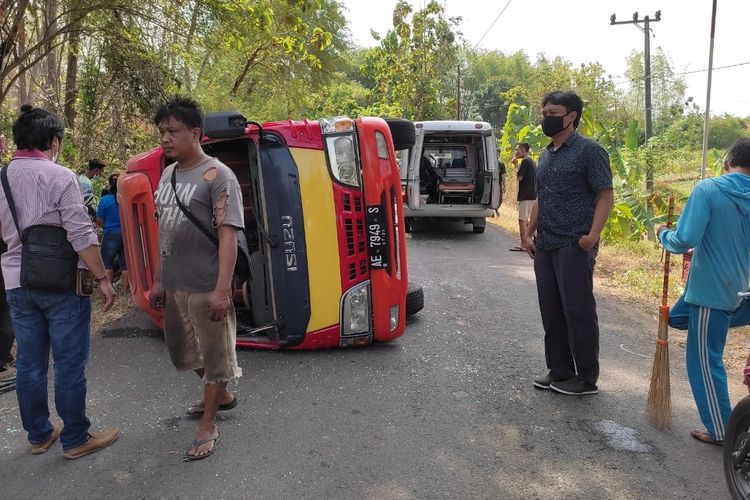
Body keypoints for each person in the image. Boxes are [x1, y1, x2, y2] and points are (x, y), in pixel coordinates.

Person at [0, 104, 118, 458]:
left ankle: (38, 435)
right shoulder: (61, 176)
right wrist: (102, 278)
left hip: (16, 284)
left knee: (29, 362)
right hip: (61, 283)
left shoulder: (2, 177)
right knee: (68, 362)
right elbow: (81, 234)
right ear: (53, 140)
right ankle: (76, 438)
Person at [149, 96, 243, 461]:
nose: (165, 138)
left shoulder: (219, 176)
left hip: (207, 285)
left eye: (173, 131)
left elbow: (227, 236)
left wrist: (222, 291)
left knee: (216, 356)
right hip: (175, 284)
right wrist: (158, 279)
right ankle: (223, 393)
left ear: (196, 133)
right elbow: (164, 232)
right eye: (162, 132)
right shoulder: (168, 174)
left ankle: (208, 424)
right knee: (184, 351)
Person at [522, 91, 614, 396]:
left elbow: (605, 196)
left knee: (577, 310)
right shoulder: (546, 155)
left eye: (553, 112)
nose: (546, 117)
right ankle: (559, 371)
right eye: (545, 111)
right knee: (551, 310)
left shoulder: (590, 151)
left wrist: (592, 237)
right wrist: (527, 233)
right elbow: (542, 198)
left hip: (574, 244)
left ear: (571, 115)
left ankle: (586, 379)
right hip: (545, 244)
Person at [659, 137, 750, 446]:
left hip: (712, 290)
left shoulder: (709, 189)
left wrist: (663, 235)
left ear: (726, 163)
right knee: (675, 318)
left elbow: (684, 239)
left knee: (704, 361)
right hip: (740, 290)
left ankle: (723, 431)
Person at [96, 174, 128, 292]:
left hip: (110, 234)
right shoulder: (125, 199)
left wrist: (106, 227)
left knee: (107, 263)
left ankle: (109, 291)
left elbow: (99, 219)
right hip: (125, 234)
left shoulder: (105, 200)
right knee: (125, 264)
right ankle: (125, 291)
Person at [510, 143, 536, 250]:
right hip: (533, 195)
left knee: (522, 220)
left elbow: (519, 177)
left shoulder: (525, 161)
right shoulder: (532, 162)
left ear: (523, 150)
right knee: (529, 221)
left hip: (526, 195)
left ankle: (524, 245)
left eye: (518, 150)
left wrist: (516, 165)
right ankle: (532, 242)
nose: (516, 152)